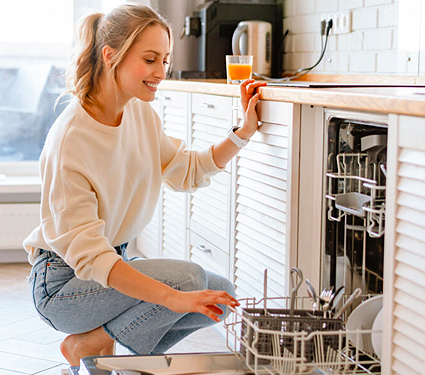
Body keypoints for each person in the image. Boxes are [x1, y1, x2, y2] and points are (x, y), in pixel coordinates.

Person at [23, 3, 266, 373]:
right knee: (188, 283)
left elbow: (188, 170)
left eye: (165, 60)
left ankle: (98, 344)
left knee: (222, 297)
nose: (161, 72)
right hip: (62, 284)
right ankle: (91, 344)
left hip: (110, 261)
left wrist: (243, 132)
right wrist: (173, 299)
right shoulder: (72, 139)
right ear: (110, 56)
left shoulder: (139, 114)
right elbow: (91, 258)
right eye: (150, 59)